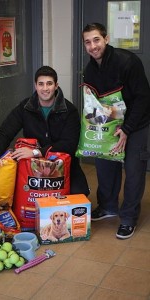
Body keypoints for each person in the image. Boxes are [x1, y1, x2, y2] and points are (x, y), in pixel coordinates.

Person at [82, 23, 150, 239]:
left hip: (137, 124)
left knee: (133, 171)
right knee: (104, 164)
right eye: (88, 42)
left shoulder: (128, 62)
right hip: (111, 123)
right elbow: (94, 105)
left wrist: (127, 129)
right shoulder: (90, 70)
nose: (93, 46)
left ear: (106, 39)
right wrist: (97, 130)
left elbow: (143, 98)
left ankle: (128, 218)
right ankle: (108, 206)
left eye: (96, 40)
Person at [0, 65, 90, 196]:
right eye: (41, 84)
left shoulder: (70, 111)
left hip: (63, 164)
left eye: (49, 84)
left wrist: (36, 152)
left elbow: (69, 144)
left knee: (80, 195)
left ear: (56, 85)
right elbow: (4, 132)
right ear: (35, 86)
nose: (45, 88)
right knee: (13, 194)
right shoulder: (25, 107)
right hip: (31, 166)